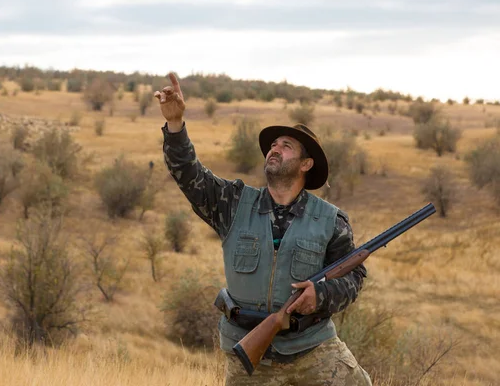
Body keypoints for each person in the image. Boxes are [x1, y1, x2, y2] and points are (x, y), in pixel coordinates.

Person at [155, 74, 372, 386]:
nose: (274, 149)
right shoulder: (233, 202)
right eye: (273, 145)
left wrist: (320, 295)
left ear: (306, 164)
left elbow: (354, 277)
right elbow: (189, 175)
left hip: (312, 349)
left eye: (286, 146)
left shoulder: (331, 220)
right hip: (248, 354)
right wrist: (175, 124)